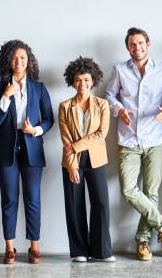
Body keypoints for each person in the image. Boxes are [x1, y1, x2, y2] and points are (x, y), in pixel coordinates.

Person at [104, 27, 162, 261]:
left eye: (140, 43)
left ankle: (143, 241)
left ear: (148, 43)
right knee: (128, 189)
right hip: (128, 139)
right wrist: (119, 110)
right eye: (132, 44)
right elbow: (109, 95)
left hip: (156, 139)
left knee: (151, 192)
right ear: (128, 47)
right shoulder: (119, 70)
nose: (137, 48)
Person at [0, 40, 54, 264]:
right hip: (6, 146)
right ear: (8, 60)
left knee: (33, 198)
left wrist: (35, 130)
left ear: (29, 62)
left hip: (32, 146)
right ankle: (10, 247)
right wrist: (6, 96)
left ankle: (34, 247)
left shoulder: (38, 88)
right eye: (15, 58)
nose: (19, 62)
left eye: (23, 58)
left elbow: (49, 119)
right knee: (9, 198)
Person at [60, 57, 115, 262]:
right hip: (72, 162)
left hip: (96, 159)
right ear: (72, 82)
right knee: (74, 206)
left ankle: (102, 251)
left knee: (101, 203)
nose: (82, 84)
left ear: (92, 81)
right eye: (77, 80)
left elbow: (101, 134)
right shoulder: (64, 106)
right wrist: (72, 165)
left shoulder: (102, 105)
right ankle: (79, 251)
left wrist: (75, 146)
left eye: (86, 79)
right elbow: (65, 137)